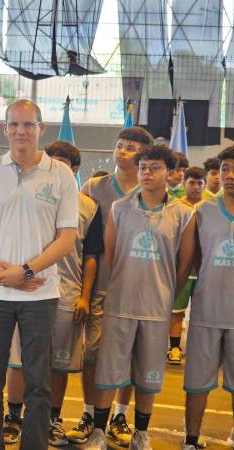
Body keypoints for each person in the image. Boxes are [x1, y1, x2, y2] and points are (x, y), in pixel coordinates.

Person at [0, 100, 78, 449]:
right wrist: (6, 273)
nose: (20, 131)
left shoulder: (61, 174)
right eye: (14, 125)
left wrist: (26, 271)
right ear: (5, 129)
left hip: (40, 295)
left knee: (38, 384)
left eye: (28, 125)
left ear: (41, 128)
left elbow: (67, 238)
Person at [86, 144, 196, 450]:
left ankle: (141, 434)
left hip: (157, 307)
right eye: (144, 167)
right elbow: (111, 254)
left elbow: (185, 262)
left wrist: (164, 289)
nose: (147, 173)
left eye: (155, 167)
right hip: (120, 302)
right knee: (108, 371)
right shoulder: (120, 208)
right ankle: (98, 432)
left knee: (148, 375)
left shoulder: (183, 214)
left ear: (170, 173)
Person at [78, 126, 154, 446]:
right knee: (93, 354)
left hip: (138, 288)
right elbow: (82, 241)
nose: (121, 151)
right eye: (119, 145)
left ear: (144, 156)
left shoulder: (151, 192)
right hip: (100, 285)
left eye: (131, 147)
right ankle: (87, 413)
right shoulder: (94, 187)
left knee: (133, 356)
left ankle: (120, 414)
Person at [43, 142, 103, 447]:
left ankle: (53, 419)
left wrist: (84, 295)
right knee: (25, 363)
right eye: (50, 161)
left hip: (67, 296)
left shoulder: (88, 206)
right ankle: (20, 416)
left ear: (75, 169)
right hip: (30, 294)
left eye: (62, 163)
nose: (55, 167)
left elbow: (91, 255)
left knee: (58, 364)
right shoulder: (31, 196)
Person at [182, 146, 234, 450]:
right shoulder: (201, 211)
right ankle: (191, 439)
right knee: (197, 381)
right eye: (225, 169)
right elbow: (191, 260)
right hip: (206, 311)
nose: (229, 176)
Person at [168, 167, 206, 365]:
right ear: (184, 184)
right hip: (180, 266)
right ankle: (174, 348)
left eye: (200, 183)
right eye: (192, 182)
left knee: (201, 311)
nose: (196, 187)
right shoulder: (176, 208)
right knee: (176, 310)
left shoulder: (210, 208)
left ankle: (199, 350)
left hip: (203, 269)